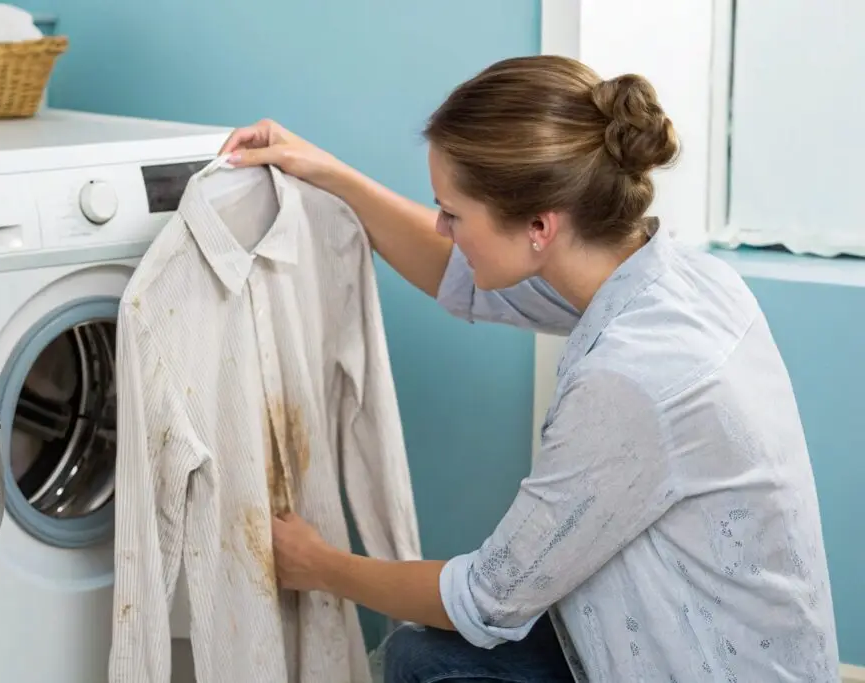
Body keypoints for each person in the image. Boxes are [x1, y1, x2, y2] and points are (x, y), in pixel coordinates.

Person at [219, 55, 840, 683]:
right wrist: (328, 173)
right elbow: (457, 273)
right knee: (425, 653)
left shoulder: (631, 379)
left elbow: (486, 600)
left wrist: (319, 564)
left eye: (453, 213)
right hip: (738, 639)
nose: (442, 226)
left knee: (420, 659)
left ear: (541, 225)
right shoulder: (671, 278)